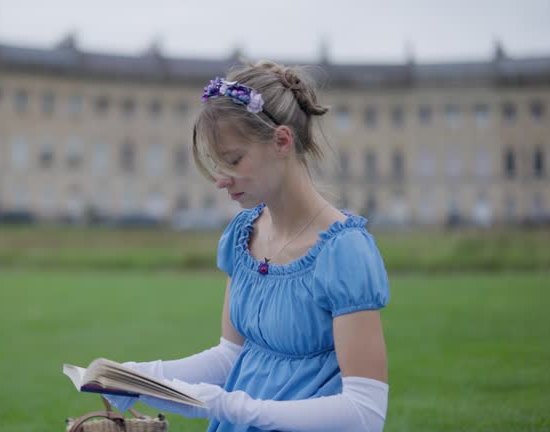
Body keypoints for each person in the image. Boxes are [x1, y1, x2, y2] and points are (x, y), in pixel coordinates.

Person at [106, 60, 390, 432]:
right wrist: (141, 377)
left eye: (234, 160)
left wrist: (230, 407)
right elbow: (230, 359)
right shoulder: (243, 234)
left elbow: (364, 413)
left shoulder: (345, 251)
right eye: (216, 164)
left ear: (282, 141)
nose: (221, 180)